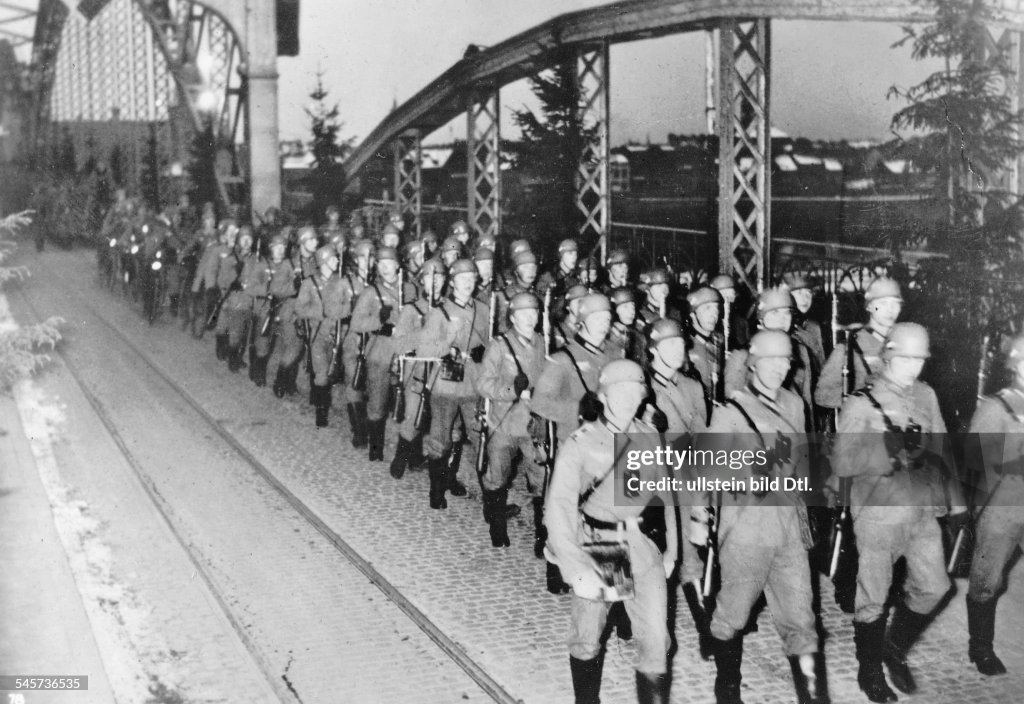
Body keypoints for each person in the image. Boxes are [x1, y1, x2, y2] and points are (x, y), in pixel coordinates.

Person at [831, 323, 968, 703]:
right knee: (873, 595)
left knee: (935, 587)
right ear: (889, 356)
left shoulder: (926, 394)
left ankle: (893, 648)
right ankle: (869, 671)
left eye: (919, 360)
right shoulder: (861, 402)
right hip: (878, 513)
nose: (913, 367)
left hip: (921, 510)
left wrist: (957, 504)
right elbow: (840, 464)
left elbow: (942, 449)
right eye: (906, 359)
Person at [696, 329, 824, 704]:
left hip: (788, 528)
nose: (779, 368)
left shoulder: (794, 403)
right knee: (733, 615)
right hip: (746, 529)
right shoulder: (730, 412)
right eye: (770, 361)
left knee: (801, 619)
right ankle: (728, 687)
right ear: (753, 365)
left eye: (785, 360)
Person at [545, 359, 677, 704]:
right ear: (602, 396)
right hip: (602, 546)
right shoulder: (583, 442)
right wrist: (575, 569)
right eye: (619, 392)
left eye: (635, 391)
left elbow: (667, 496)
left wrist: (673, 551)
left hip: (641, 546)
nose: (628, 399)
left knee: (656, 642)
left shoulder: (649, 436)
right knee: (588, 638)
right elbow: (559, 507)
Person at [965, 333, 1024, 676]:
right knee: (987, 581)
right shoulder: (996, 407)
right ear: (1016, 365)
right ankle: (980, 647)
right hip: (1002, 507)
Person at [476, 292, 547, 548]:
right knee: (497, 477)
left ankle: (542, 538)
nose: (529, 318)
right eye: (523, 313)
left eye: (534, 312)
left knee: (542, 479)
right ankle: (497, 528)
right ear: (513, 318)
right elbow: (483, 384)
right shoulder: (499, 345)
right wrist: (512, 390)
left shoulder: (544, 343)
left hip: (535, 425)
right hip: (504, 423)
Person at [418, 259, 490, 508]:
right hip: (446, 385)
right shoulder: (440, 312)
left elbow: (494, 343)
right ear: (452, 282)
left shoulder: (484, 310)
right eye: (462, 279)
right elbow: (424, 348)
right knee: (441, 438)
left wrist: (486, 353)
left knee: (480, 437)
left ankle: (491, 503)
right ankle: (436, 492)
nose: (467, 283)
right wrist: (446, 348)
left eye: (471, 278)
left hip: (474, 384)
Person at [389, 258, 446, 478]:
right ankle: (401, 456)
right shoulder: (412, 309)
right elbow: (398, 344)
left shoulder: (448, 309)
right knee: (414, 415)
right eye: (430, 276)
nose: (435, 281)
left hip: (441, 372)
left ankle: (419, 458)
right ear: (422, 280)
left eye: (439, 276)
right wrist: (422, 335)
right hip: (417, 371)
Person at [349, 246, 404, 459]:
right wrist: (379, 322)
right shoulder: (371, 292)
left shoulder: (409, 289)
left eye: (389, 263)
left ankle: (409, 454)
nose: (385, 268)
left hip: (405, 353)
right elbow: (356, 323)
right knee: (377, 402)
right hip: (381, 351)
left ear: (397, 265)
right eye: (381, 264)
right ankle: (376, 448)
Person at [816, 277, 902, 409]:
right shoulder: (849, 348)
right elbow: (822, 395)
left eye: (895, 303)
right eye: (883, 303)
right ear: (869, 306)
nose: (890, 309)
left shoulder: (904, 344)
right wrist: (862, 402)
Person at [295, 245, 347, 427]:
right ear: (324, 261)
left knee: (330, 373)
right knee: (322, 373)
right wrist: (320, 312)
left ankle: (318, 398)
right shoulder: (309, 283)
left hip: (335, 334)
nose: (337, 261)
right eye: (333, 258)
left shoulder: (341, 282)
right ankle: (321, 412)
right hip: (317, 334)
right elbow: (300, 308)